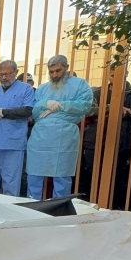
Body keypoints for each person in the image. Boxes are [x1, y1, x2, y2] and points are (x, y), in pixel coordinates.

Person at [26, 55, 93, 200]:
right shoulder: (42, 89)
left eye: (58, 71)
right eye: (51, 72)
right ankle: (32, 206)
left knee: (61, 175)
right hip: (40, 136)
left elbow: (84, 106)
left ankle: (59, 208)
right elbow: (34, 111)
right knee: (34, 173)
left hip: (65, 135)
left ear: (66, 68)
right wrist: (46, 103)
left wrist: (59, 106)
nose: (54, 75)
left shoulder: (80, 84)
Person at [0, 59, 35, 196]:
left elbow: (27, 111)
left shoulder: (26, 89)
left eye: (8, 74)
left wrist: (4, 113)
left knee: (10, 181)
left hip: (12, 142)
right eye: (1, 74)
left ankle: (9, 211)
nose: (4, 77)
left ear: (16, 72)